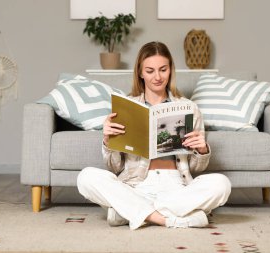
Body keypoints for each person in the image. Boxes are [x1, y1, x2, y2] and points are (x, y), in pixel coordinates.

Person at [77, 41, 231, 230]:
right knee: (86, 177)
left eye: (163, 69)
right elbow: (114, 166)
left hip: (177, 186)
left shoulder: (189, 108)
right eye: (150, 71)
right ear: (140, 73)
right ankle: (167, 219)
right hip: (136, 186)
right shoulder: (126, 107)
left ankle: (128, 213)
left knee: (222, 184)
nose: (157, 77)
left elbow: (196, 168)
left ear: (171, 70)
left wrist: (202, 149)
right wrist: (108, 141)